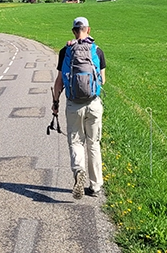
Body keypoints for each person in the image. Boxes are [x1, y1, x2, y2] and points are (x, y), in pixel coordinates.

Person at [52, 16, 106, 199]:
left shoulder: (65, 51)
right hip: (93, 104)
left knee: (76, 141)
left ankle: (78, 171)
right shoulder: (97, 51)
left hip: (74, 104)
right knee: (93, 143)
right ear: (88, 30)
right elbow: (103, 80)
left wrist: (55, 104)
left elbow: (59, 82)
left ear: (74, 31)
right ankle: (96, 185)